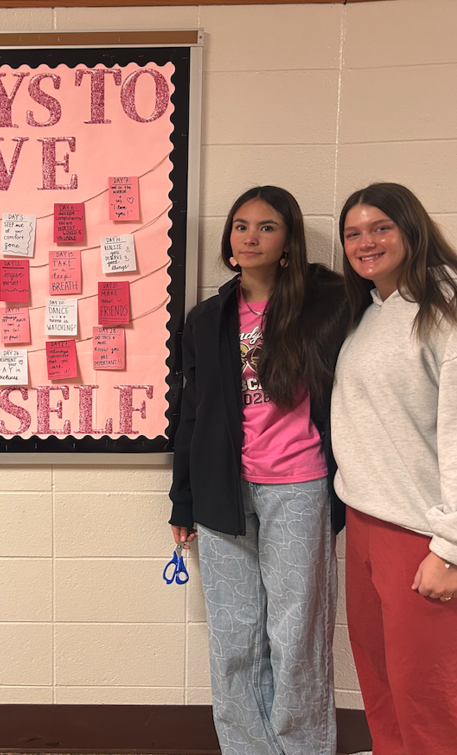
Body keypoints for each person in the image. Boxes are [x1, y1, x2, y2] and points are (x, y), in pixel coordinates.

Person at [169, 186, 347, 755]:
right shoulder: (208, 317)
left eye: (267, 227)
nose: (250, 237)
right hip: (226, 489)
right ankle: (248, 748)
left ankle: (303, 748)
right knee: (235, 635)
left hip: (300, 485)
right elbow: (191, 413)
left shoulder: (328, 303)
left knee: (296, 634)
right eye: (241, 226)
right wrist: (183, 499)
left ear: (289, 239)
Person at [333, 182, 457, 754]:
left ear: (413, 229)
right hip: (371, 523)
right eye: (354, 232)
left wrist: (455, 548)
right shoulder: (376, 310)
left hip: (432, 536)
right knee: (386, 694)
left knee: (439, 710)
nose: (366, 242)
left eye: (380, 227)